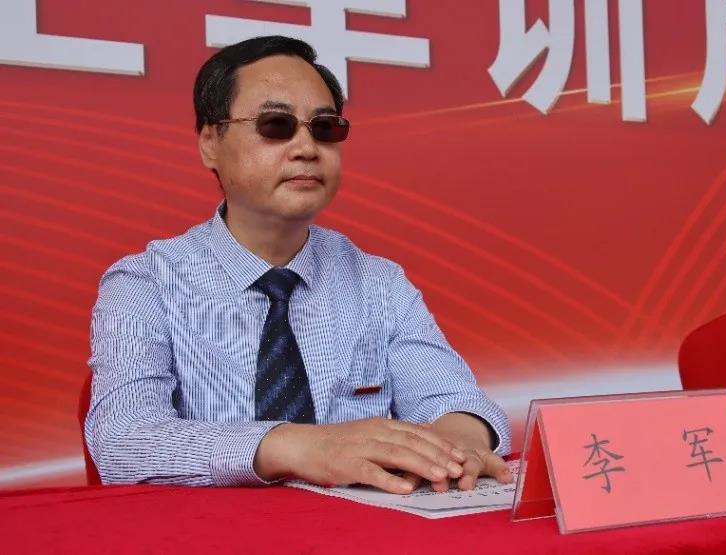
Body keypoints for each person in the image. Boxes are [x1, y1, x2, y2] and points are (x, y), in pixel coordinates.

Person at [85, 35, 512, 493]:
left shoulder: (379, 283)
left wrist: (459, 443)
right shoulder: (146, 282)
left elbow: (453, 400)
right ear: (210, 143)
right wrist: (299, 447)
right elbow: (122, 441)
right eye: (276, 125)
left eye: (324, 128)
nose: (307, 147)